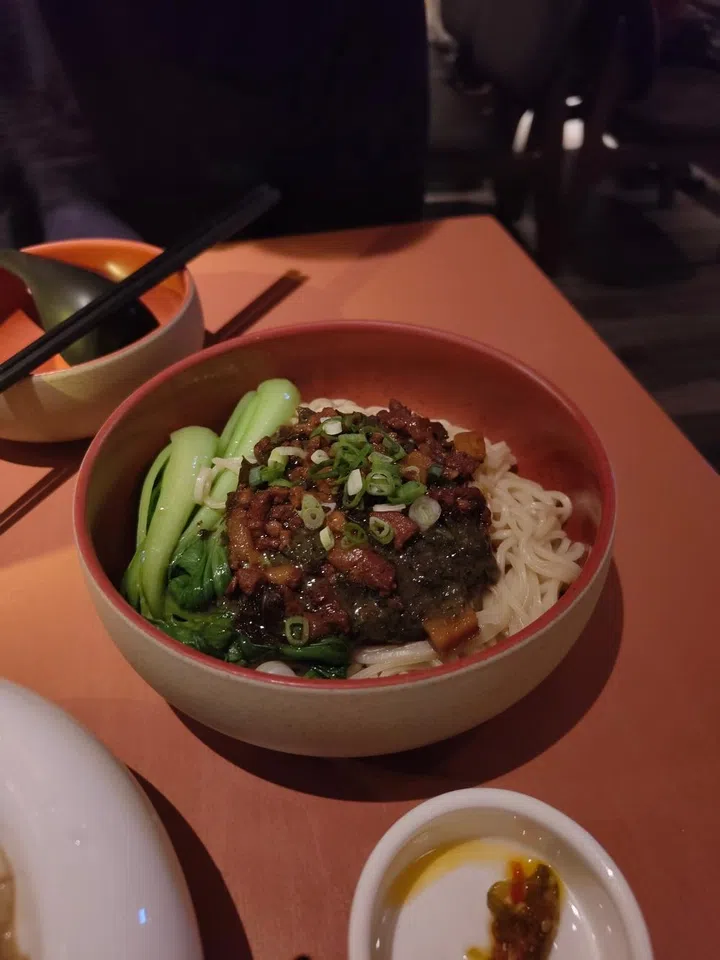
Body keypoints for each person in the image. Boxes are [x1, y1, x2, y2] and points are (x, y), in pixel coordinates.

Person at [2, 0, 429, 247]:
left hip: (332, 189)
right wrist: (68, 203)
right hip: (114, 190)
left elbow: (378, 179)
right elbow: (52, 158)